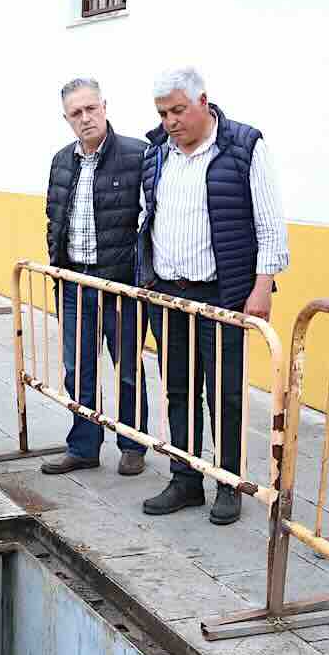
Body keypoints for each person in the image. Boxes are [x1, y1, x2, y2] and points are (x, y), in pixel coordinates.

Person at [138, 67, 288, 526]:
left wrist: (262, 288)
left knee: (224, 394)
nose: (171, 121)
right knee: (179, 390)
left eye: (178, 110)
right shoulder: (158, 154)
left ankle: (229, 482)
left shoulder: (244, 147)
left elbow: (269, 226)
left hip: (222, 295)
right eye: (163, 113)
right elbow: (147, 217)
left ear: (203, 101)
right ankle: (185, 478)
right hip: (170, 295)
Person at [40, 77, 151, 477]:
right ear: (66, 118)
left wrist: (141, 279)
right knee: (78, 368)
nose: (85, 118)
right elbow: (55, 217)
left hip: (119, 286)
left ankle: (132, 444)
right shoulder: (61, 160)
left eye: (91, 109)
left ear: (104, 106)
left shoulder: (138, 155)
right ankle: (84, 445)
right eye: (76, 113)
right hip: (74, 283)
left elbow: (150, 220)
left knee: (126, 367)